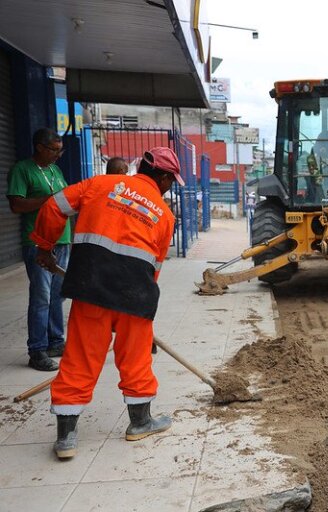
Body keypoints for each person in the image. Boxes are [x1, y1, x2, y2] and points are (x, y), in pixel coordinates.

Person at [30, 147, 182, 460]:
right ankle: (140, 423)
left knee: (79, 359)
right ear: (165, 177)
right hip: (135, 293)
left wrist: (45, 247)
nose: (170, 186)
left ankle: (66, 439)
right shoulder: (165, 216)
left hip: (91, 286)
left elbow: (53, 206)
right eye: (171, 180)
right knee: (136, 358)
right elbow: (154, 268)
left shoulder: (100, 185)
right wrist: (143, 313)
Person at [6, 128, 71, 372]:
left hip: (62, 240)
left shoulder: (55, 170)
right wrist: (50, 200)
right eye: (54, 150)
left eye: (60, 150)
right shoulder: (22, 170)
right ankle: (37, 350)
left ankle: (56, 341)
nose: (58, 154)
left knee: (58, 295)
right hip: (38, 242)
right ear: (40, 147)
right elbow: (16, 205)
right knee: (41, 296)